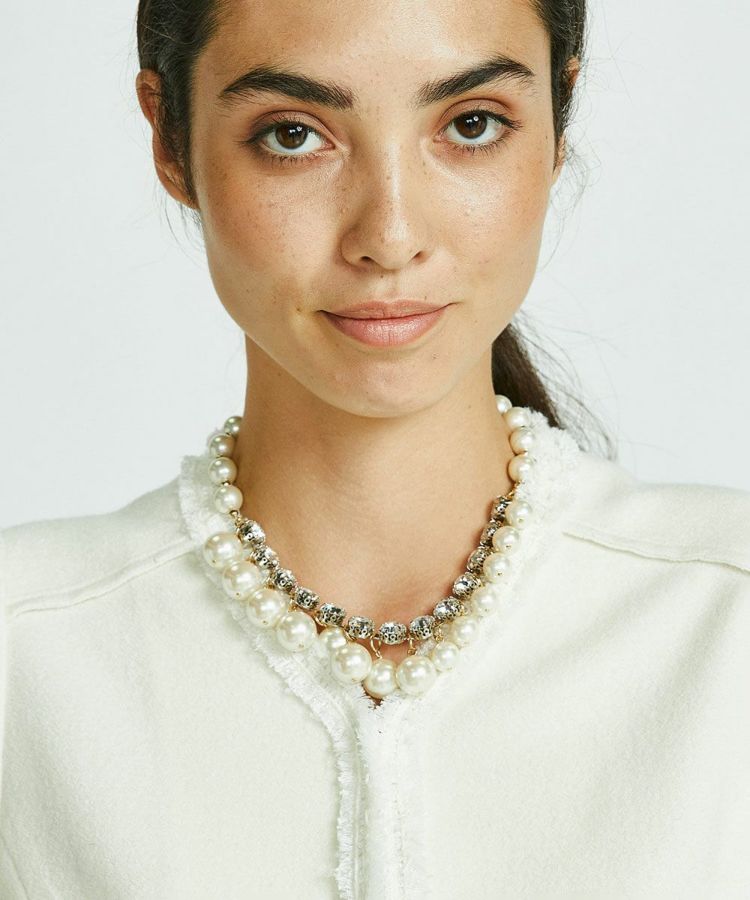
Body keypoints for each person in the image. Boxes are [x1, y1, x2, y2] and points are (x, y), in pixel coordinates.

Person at [1, 0, 748, 896]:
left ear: (558, 124)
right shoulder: (26, 652)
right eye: (292, 135)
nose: (391, 238)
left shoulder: (726, 623)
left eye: (471, 125)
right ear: (170, 141)